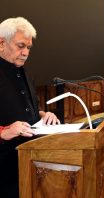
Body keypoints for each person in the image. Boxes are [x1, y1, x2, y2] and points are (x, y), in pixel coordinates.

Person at [0, 17, 60, 197]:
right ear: (2, 43)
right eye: (21, 46)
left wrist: (43, 115)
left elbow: (30, 106)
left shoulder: (24, 70)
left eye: (28, 47)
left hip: (30, 158)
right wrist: (4, 132)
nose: (26, 52)